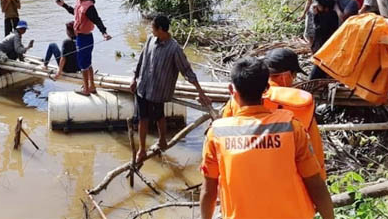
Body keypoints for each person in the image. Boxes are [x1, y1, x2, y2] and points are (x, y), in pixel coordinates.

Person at [200, 57, 334, 219]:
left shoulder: (217, 133)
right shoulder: (291, 127)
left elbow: (209, 191)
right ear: (266, 89)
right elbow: (315, 183)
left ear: (231, 90)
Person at [222, 48, 326, 178]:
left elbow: (222, 142)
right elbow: (316, 154)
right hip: (287, 179)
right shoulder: (300, 103)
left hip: (245, 176)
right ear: (285, 75)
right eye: (294, 76)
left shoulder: (239, 98)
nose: (294, 80)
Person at [131, 15, 210, 161]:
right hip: (143, 85)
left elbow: (187, 71)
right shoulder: (150, 40)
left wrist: (200, 92)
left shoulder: (174, 49)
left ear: (161, 29)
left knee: (159, 116)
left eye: (153, 27)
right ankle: (142, 150)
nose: (151, 30)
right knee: (143, 118)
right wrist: (134, 79)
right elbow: (141, 59)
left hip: (158, 90)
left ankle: (162, 140)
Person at [56, 0, 112, 96]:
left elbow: (97, 20)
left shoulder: (89, 6)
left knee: (83, 65)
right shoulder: (79, 1)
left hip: (84, 38)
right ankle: (92, 86)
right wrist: (63, 5)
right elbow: (75, 12)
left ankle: (86, 89)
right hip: (82, 37)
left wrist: (104, 32)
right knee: (88, 63)